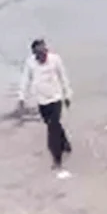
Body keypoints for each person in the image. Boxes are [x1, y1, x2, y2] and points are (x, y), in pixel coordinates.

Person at [17, 38, 74, 175]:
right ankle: (65, 143)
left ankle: (57, 159)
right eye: (39, 53)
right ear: (35, 54)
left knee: (52, 128)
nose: (42, 56)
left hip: (56, 98)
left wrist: (68, 95)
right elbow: (25, 79)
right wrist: (21, 97)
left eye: (44, 52)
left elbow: (63, 77)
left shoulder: (55, 60)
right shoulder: (30, 63)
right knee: (53, 124)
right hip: (41, 100)